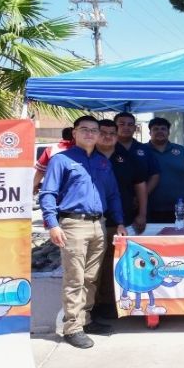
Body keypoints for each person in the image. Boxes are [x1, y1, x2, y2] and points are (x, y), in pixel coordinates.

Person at [39, 116, 127, 349]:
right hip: (73, 224)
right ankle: (72, 327)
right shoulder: (62, 160)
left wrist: (119, 221)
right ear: (74, 133)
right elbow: (48, 193)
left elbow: (113, 194)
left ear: (99, 135)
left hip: (99, 224)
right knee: (75, 278)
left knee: (91, 277)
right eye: (84, 130)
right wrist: (52, 224)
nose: (90, 134)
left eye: (94, 130)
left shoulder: (102, 162)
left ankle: (85, 320)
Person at [92, 120, 148, 319]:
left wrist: (142, 213)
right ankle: (92, 306)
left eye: (111, 133)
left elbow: (140, 186)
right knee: (92, 267)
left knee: (113, 266)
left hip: (122, 222)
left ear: (117, 136)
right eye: (103, 132)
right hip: (91, 221)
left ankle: (108, 305)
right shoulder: (87, 156)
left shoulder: (128, 157)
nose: (107, 136)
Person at [146, 117, 184, 223]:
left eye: (163, 129)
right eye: (155, 129)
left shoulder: (181, 151)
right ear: (150, 132)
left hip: (180, 209)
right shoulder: (142, 151)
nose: (159, 131)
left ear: (168, 132)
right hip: (149, 208)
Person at [114, 112, 160, 196]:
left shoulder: (145, 149)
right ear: (114, 127)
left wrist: (142, 196)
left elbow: (155, 175)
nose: (126, 127)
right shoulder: (108, 148)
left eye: (130, 124)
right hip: (114, 201)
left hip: (141, 202)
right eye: (122, 124)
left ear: (135, 128)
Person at [33, 127, 74, 194]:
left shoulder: (51, 149)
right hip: (73, 191)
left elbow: (40, 171)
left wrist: (34, 185)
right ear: (75, 135)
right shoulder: (81, 150)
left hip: (53, 190)